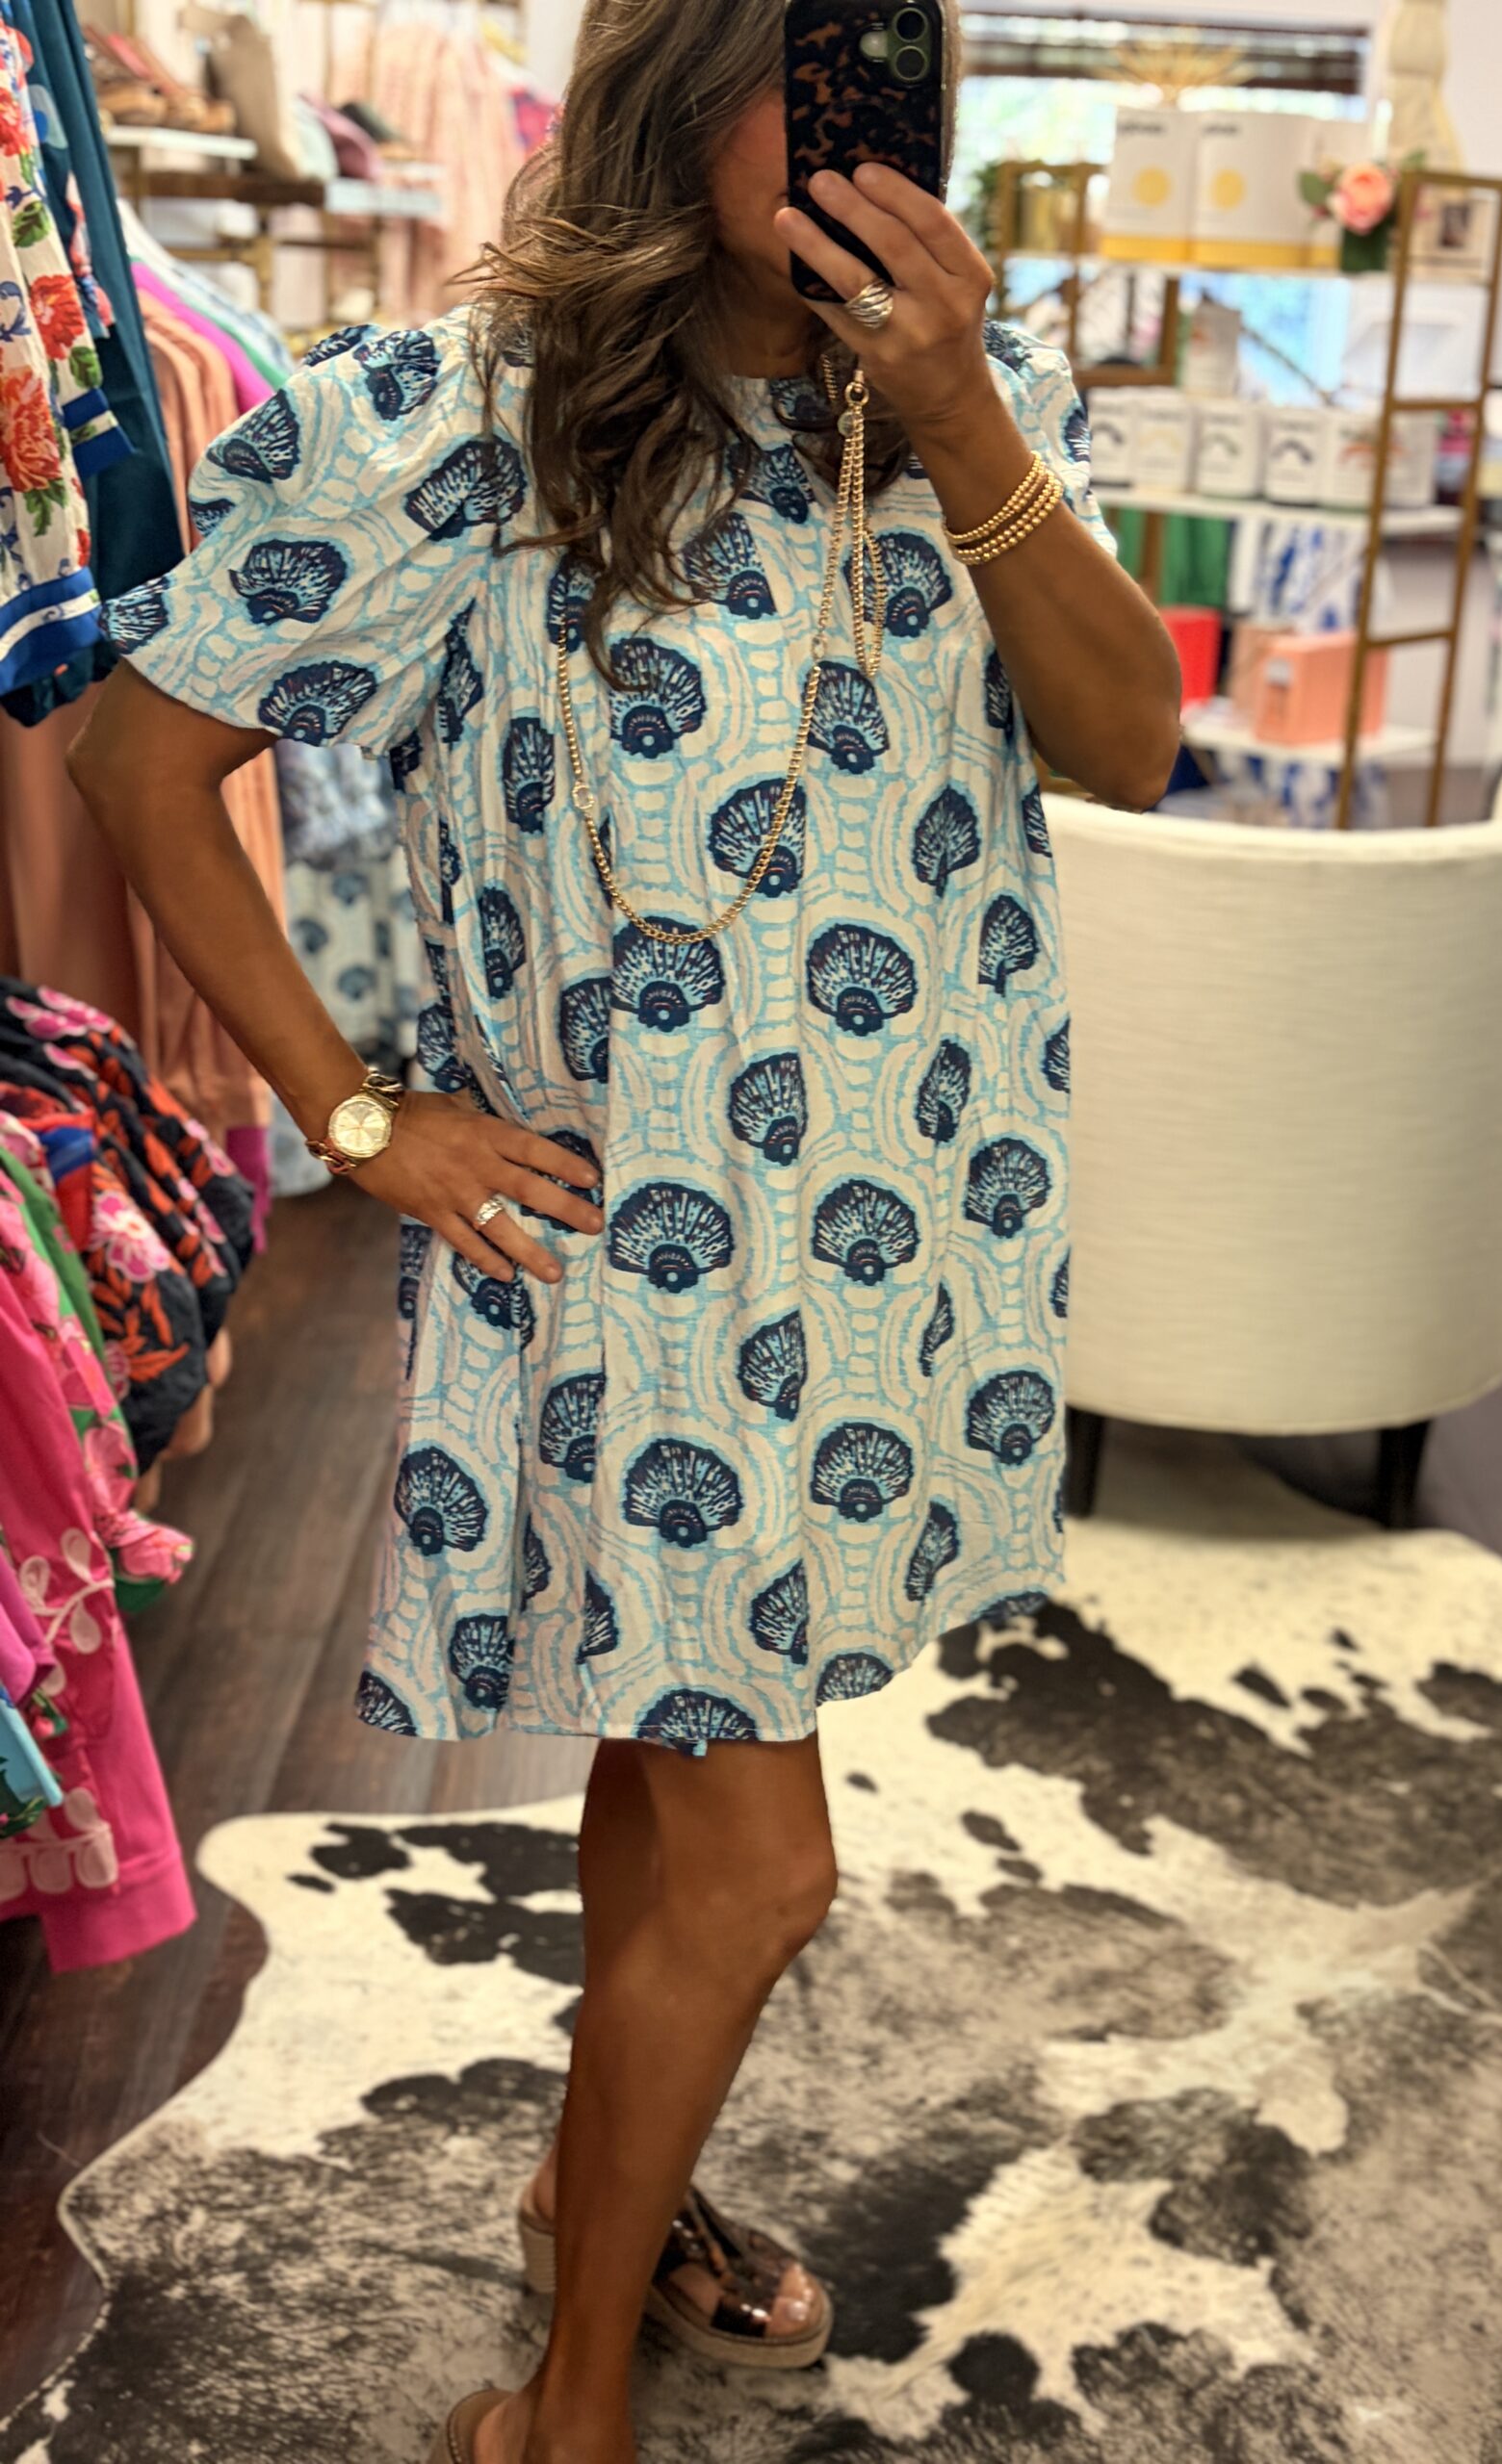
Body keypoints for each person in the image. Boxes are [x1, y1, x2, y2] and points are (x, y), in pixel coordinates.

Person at [68, 0, 1180, 2453]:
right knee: (764, 1868)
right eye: (825, 58)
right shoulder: (460, 418)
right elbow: (141, 752)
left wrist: (964, 416)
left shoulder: (984, 394)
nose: (881, 121)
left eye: (910, 65)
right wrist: (358, 1118)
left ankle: (603, 2206)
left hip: (906, 1236)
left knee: (672, 1786)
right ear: (680, 88)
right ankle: (564, 2406)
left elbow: (1130, 741)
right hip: (643, 1277)